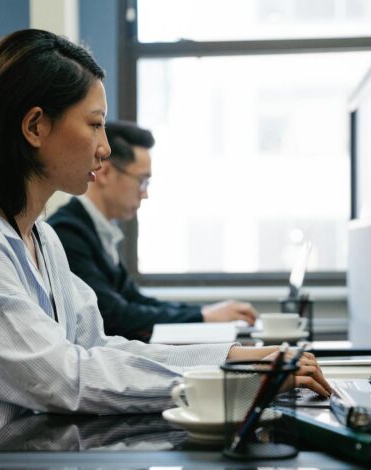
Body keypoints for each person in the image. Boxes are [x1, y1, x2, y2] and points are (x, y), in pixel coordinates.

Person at [0, 30, 331, 469]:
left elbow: (98, 350)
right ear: (35, 128)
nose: (104, 148)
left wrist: (236, 356)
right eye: (94, 125)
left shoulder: (39, 237)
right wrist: (237, 374)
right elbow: (65, 379)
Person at [48, 121, 257, 340]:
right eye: (141, 181)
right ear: (106, 173)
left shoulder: (95, 229)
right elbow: (113, 315)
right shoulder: (67, 232)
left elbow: (134, 300)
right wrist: (204, 316)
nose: (145, 194)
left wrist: (206, 313)